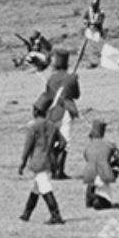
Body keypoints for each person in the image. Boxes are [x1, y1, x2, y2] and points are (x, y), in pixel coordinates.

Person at [18, 104, 66, 225]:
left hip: (38, 160)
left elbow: (27, 146)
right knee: (36, 188)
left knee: (45, 188)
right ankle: (26, 214)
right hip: (49, 159)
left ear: (35, 112)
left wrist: (22, 162)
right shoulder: (53, 126)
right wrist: (55, 151)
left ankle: (56, 215)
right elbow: (63, 142)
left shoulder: (33, 126)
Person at [39, 48, 81, 180]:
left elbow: (48, 94)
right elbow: (76, 95)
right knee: (65, 142)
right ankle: (59, 171)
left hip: (51, 111)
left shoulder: (51, 78)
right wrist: (73, 81)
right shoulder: (70, 77)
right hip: (65, 111)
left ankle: (53, 170)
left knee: (52, 140)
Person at [80, 119, 119, 209]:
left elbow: (87, 158)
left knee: (92, 181)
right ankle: (98, 200)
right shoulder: (109, 145)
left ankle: (90, 199)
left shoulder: (88, 147)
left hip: (89, 174)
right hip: (104, 173)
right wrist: (112, 165)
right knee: (105, 197)